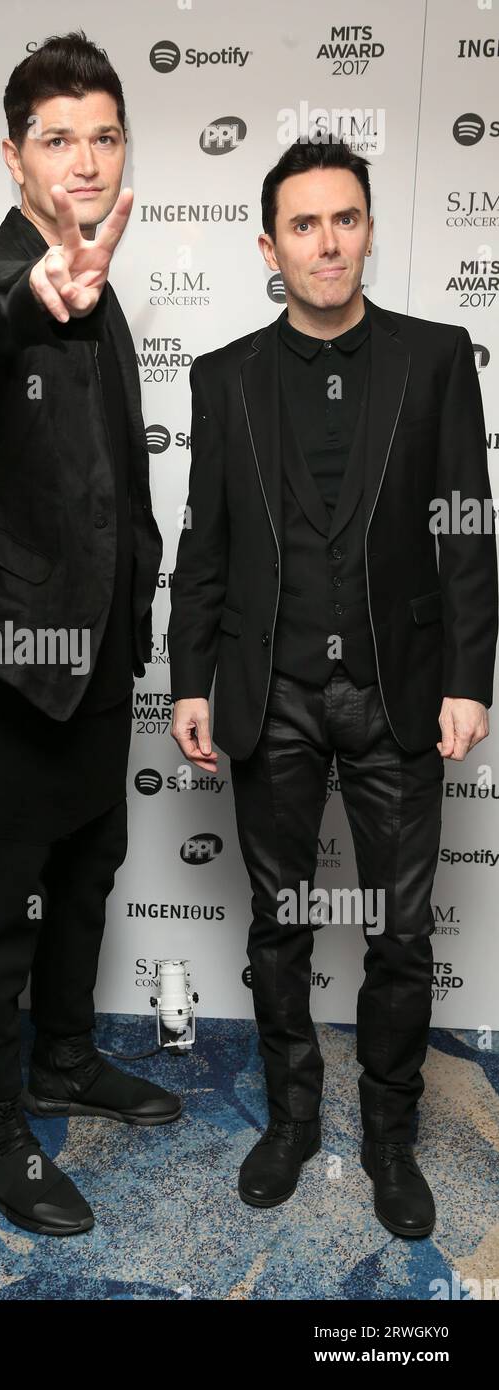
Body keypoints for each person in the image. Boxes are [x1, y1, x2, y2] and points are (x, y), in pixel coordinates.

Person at [169, 136, 497, 1239]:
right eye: (302, 223)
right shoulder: (220, 378)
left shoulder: (436, 356)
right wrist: (186, 678)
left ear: (366, 226)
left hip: (398, 691)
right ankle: (291, 1117)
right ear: (270, 244)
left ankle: (388, 1137)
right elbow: (201, 546)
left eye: (343, 218)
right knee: (277, 926)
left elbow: (463, 527)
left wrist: (465, 676)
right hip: (268, 692)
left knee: (401, 933)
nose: (325, 241)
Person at [0, 30, 179, 1237]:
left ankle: (64, 1055)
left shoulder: (108, 286)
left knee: (86, 876)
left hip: (96, 656)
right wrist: (35, 290)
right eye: (57, 139)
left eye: (103, 137)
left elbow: (109, 475)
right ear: (12, 156)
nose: (83, 160)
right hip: (8, 661)